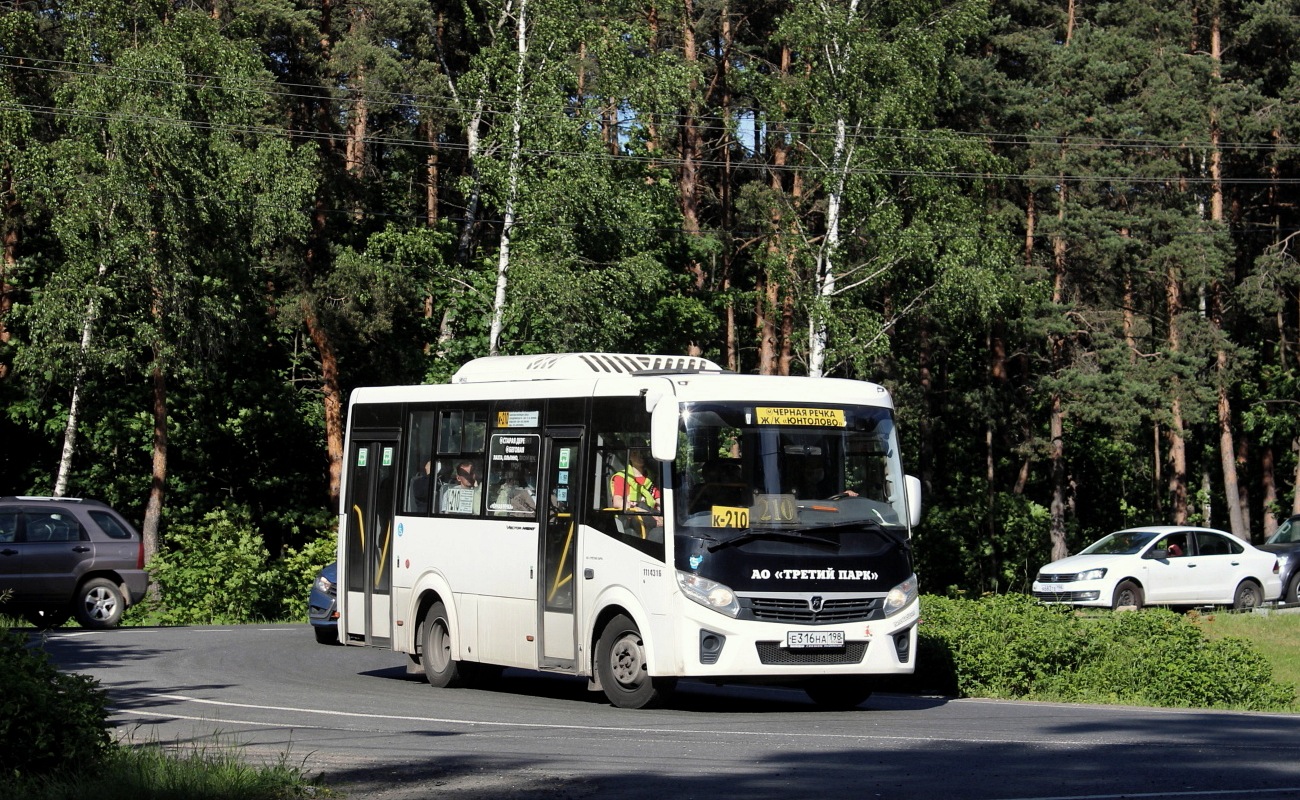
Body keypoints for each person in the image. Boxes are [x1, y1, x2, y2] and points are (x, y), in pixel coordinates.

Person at [610, 448, 660, 513]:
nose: (640, 455)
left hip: (654, 516)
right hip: (632, 518)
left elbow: (659, 501)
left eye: (643, 452)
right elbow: (617, 502)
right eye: (635, 453)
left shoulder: (652, 477)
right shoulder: (622, 477)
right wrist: (637, 510)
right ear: (629, 456)